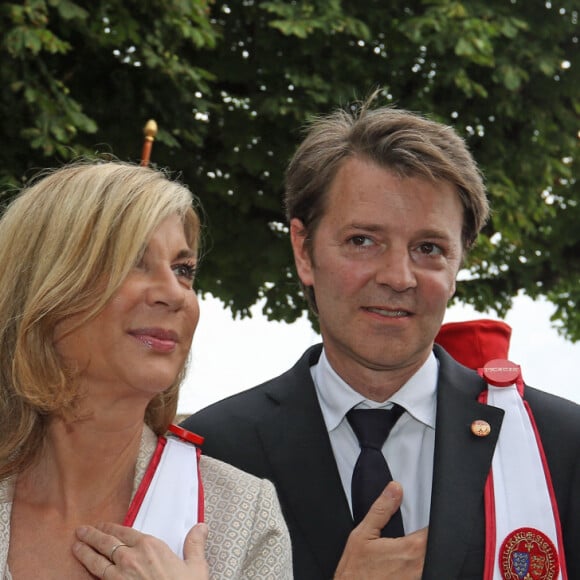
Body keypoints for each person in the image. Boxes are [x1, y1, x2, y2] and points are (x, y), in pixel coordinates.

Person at [182, 98, 580, 579]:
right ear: (303, 252)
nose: (398, 276)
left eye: (428, 248)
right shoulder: (212, 454)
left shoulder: (558, 445)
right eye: (363, 241)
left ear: (457, 266)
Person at [0, 160, 292, 579]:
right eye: (133, 262)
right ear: (47, 290)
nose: (175, 293)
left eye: (183, 270)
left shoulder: (243, 515)